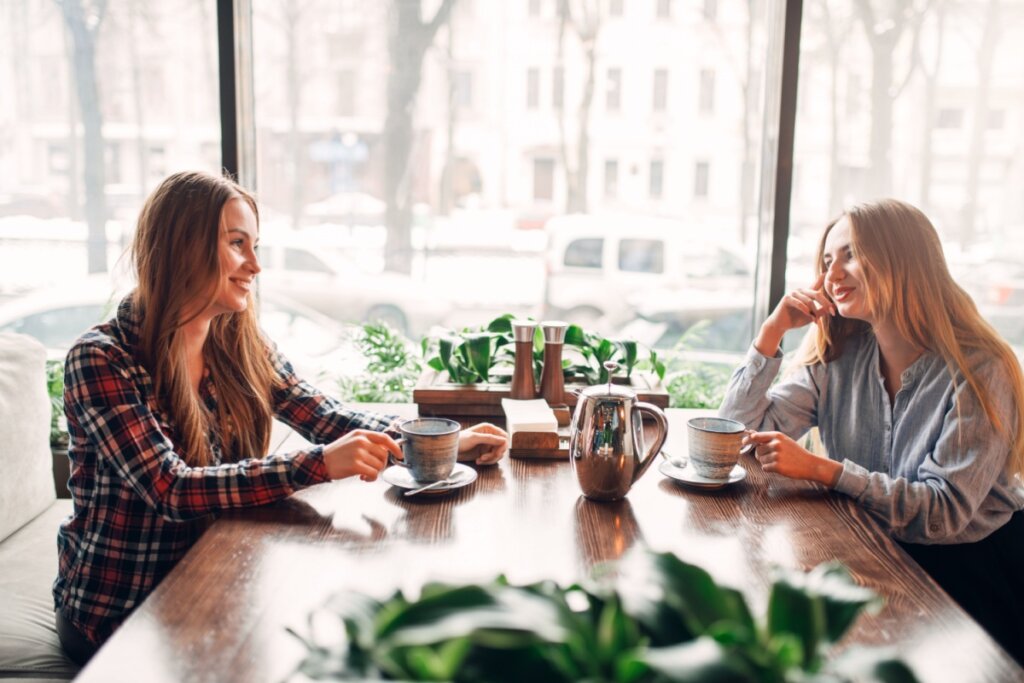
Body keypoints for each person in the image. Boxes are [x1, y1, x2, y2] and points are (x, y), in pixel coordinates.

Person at [52, 171, 508, 664]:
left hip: (217, 574)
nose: (255, 265)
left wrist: (438, 446)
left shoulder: (236, 341)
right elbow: (172, 488)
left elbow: (326, 417)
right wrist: (316, 465)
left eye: (255, 245)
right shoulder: (101, 359)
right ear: (182, 247)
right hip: (120, 611)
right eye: (237, 244)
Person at [720, 198, 1024, 663]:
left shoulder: (981, 369)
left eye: (850, 254)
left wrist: (825, 470)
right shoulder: (838, 356)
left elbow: (942, 514)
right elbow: (737, 433)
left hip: (972, 576)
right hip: (873, 554)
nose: (832, 275)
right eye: (826, 261)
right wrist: (771, 332)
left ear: (904, 260)